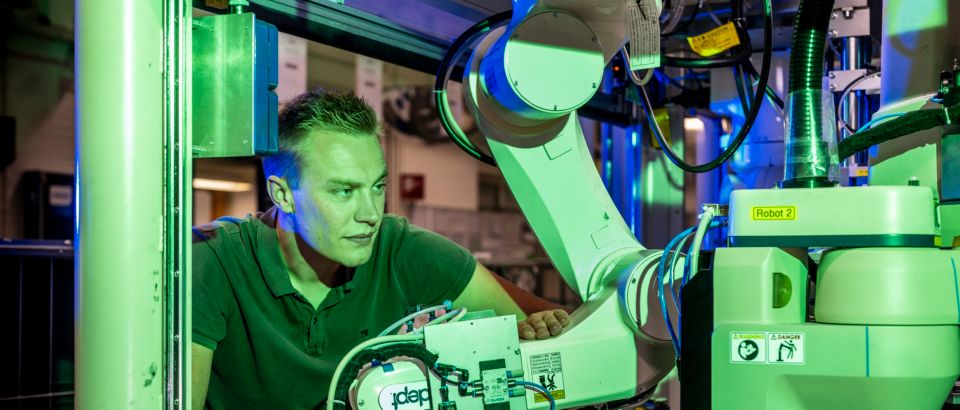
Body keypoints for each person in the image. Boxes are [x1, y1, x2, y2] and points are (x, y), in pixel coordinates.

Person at [191, 89, 572, 409]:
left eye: (377, 187)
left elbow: (546, 332)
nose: (371, 214)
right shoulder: (212, 261)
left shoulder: (403, 250)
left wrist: (538, 329)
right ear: (283, 194)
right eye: (344, 191)